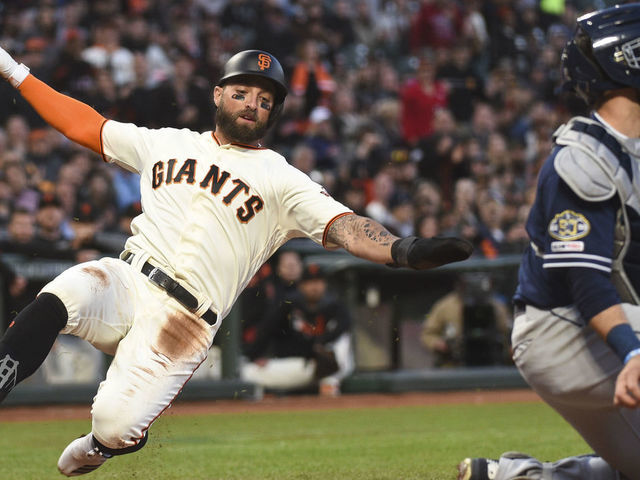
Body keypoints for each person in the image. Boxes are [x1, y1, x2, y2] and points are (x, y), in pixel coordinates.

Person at [0, 46, 473, 477]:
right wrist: (14, 71)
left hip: (183, 323)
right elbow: (82, 124)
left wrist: (401, 250)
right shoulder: (167, 142)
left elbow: (346, 226)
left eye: (265, 101)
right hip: (128, 278)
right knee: (65, 293)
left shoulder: (282, 178)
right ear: (219, 94)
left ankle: (101, 445)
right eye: (243, 92)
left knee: (112, 424)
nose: (253, 104)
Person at [458, 5, 640, 479]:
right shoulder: (584, 157)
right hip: (563, 333)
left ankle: (521, 477)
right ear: (626, 59)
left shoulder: (632, 152)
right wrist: (633, 352)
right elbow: (585, 280)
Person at [241, 263, 354, 396]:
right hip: (297, 366)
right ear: (301, 286)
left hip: (330, 367)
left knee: (343, 340)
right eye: (310, 282)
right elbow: (266, 331)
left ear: (325, 284)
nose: (315, 287)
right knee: (247, 372)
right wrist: (256, 356)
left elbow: (342, 330)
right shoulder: (288, 306)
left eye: (318, 282)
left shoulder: (335, 308)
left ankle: (329, 383)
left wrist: (320, 345)